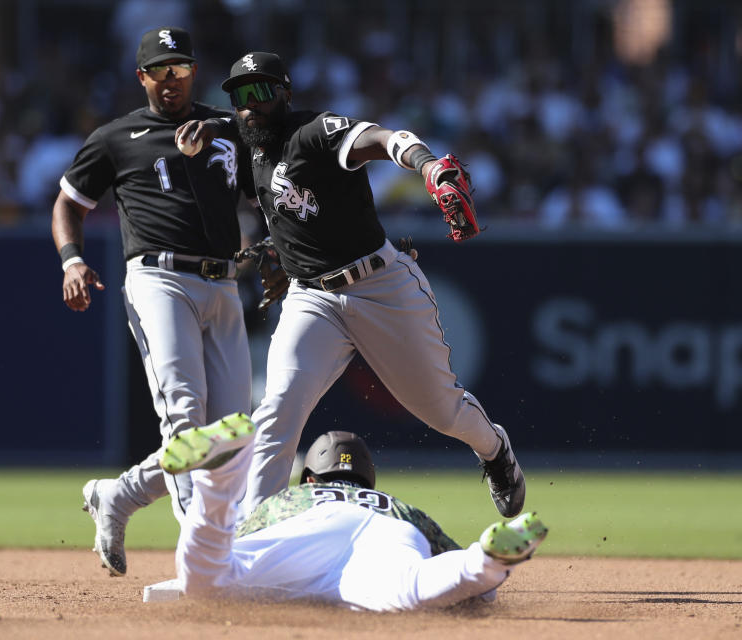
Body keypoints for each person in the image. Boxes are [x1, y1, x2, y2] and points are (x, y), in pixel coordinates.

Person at [175, 52, 526, 522]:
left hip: (379, 284)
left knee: (441, 409)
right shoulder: (246, 139)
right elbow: (229, 127)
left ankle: (496, 450)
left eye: (261, 91)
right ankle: (253, 538)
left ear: (286, 92)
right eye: (240, 95)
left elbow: (385, 138)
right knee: (277, 409)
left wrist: (428, 167)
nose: (250, 104)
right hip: (311, 298)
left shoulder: (314, 132)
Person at [52, 27, 254, 577]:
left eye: (181, 68)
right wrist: (72, 259)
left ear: (194, 71)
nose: (172, 80)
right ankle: (203, 564)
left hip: (224, 280)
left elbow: (266, 192)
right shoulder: (117, 136)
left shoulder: (227, 128)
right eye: (160, 70)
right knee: (186, 421)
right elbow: (68, 203)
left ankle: (120, 495)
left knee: (232, 434)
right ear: (141, 76)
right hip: (159, 279)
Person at [158, 414, 548, 611]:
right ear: (368, 480)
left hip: (303, 527)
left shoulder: (291, 499)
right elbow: (454, 564)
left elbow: (238, 540)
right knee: (411, 587)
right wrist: (482, 584)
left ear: (310, 477)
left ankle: (221, 475)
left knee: (208, 582)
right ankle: (486, 559)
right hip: (387, 533)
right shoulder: (398, 507)